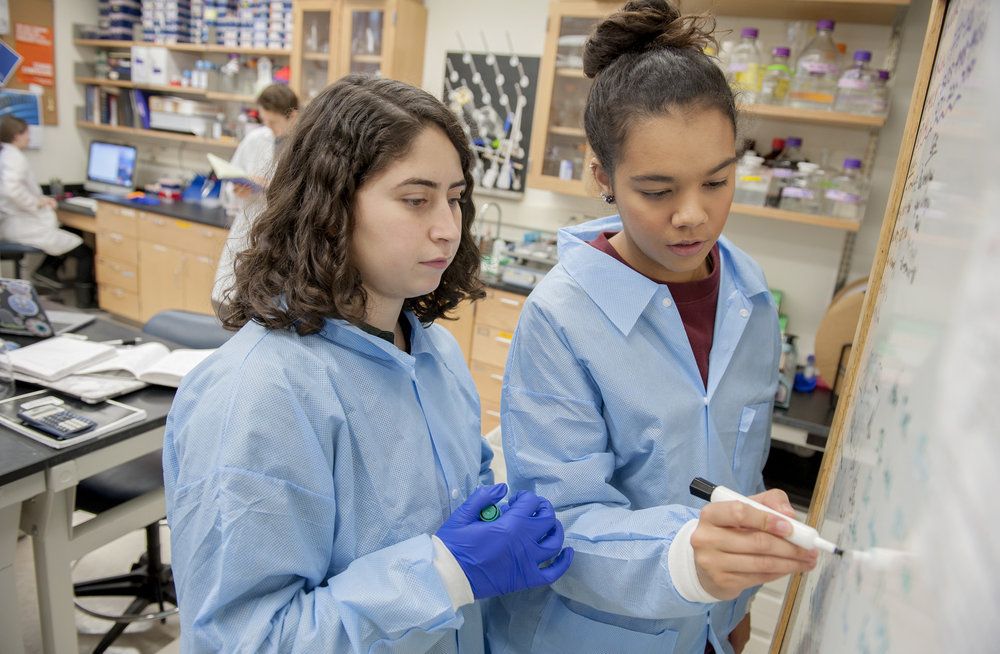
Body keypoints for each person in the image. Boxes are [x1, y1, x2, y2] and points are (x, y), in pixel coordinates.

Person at [163, 75, 573, 653]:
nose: (447, 228)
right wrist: (444, 574)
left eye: (455, 198)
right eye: (415, 199)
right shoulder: (257, 396)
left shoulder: (434, 355)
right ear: (329, 206)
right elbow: (247, 641)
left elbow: (458, 513)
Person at [486, 2, 816, 653]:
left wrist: (733, 604)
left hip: (710, 627)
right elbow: (561, 522)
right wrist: (690, 566)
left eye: (717, 181)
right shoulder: (560, 318)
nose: (693, 216)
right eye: (657, 191)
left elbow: (739, 474)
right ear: (604, 177)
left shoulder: (747, 294)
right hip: (585, 634)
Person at [211, 83, 299, 309]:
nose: (269, 128)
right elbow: (233, 180)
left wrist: (270, 186)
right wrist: (238, 188)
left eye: (274, 122)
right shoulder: (256, 139)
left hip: (285, 235)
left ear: (293, 116)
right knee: (231, 300)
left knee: (271, 307)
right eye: (265, 121)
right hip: (250, 227)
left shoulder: (305, 147)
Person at [0, 115, 95, 305]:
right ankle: (86, 303)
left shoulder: (5, 154)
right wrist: (37, 203)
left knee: (72, 233)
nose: (29, 137)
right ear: (17, 135)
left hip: (13, 224)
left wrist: (39, 200)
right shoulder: (14, 157)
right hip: (22, 225)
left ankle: (47, 273)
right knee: (84, 251)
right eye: (27, 133)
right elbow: (12, 190)